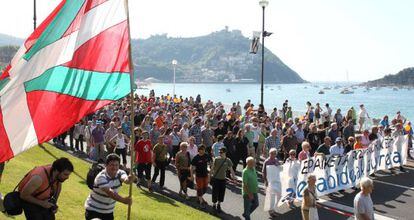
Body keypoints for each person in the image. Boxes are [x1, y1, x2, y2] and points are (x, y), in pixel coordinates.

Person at [85, 154, 135, 220]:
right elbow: (110, 193)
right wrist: (124, 200)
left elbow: (126, 180)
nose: (114, 167)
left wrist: (130, 178)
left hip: (108, 212)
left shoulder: (120, 173)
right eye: (112, 165)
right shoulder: (101, 177)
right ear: (106, 165)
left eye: (116, 165)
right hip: (93, 210)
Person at [210, 147, 236, 213]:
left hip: (223, 179)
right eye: (219, 152)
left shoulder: (228, 160)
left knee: (221, 193)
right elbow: (212, 169)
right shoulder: (216, 159)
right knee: (215, 192)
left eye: (221, 152)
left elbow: (231, 170)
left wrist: (234, 178)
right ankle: (214, 204)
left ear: (225, 153)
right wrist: (209, 177)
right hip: (216, 179)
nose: (220, 153)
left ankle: (219, 204)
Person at [262, 148, 282, 217]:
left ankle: (273, 209)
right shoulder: (266, 161)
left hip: (276, 181)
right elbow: (263, 172)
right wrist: (265, 181)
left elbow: (280, 169)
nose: (273, 155)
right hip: (269, 181)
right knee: (271, 197)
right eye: (272, 153)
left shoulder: (276, 160)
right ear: (269, 153)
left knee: (278, 195)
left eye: (274, 153)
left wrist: (278, 165)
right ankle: (271, 211)